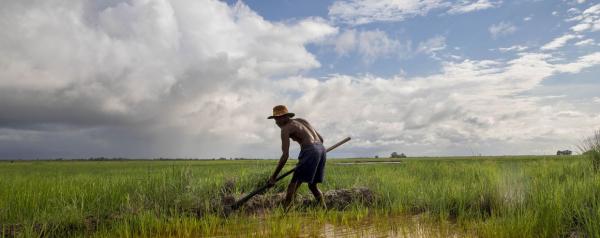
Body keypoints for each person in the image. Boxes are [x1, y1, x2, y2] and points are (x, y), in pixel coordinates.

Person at [267, 105, 327, 209]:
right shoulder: (302, 121)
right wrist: (315, 152)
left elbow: (285, 155)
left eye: (278, 118)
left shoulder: (285, 129)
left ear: (285, 117)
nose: (276, 122)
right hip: (321, 149)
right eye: (275, 119)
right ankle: (324, 210)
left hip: (310, 151)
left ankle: (283, 215)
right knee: (312, 186)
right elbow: (321, 139)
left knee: (293, 186)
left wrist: (273, 177)